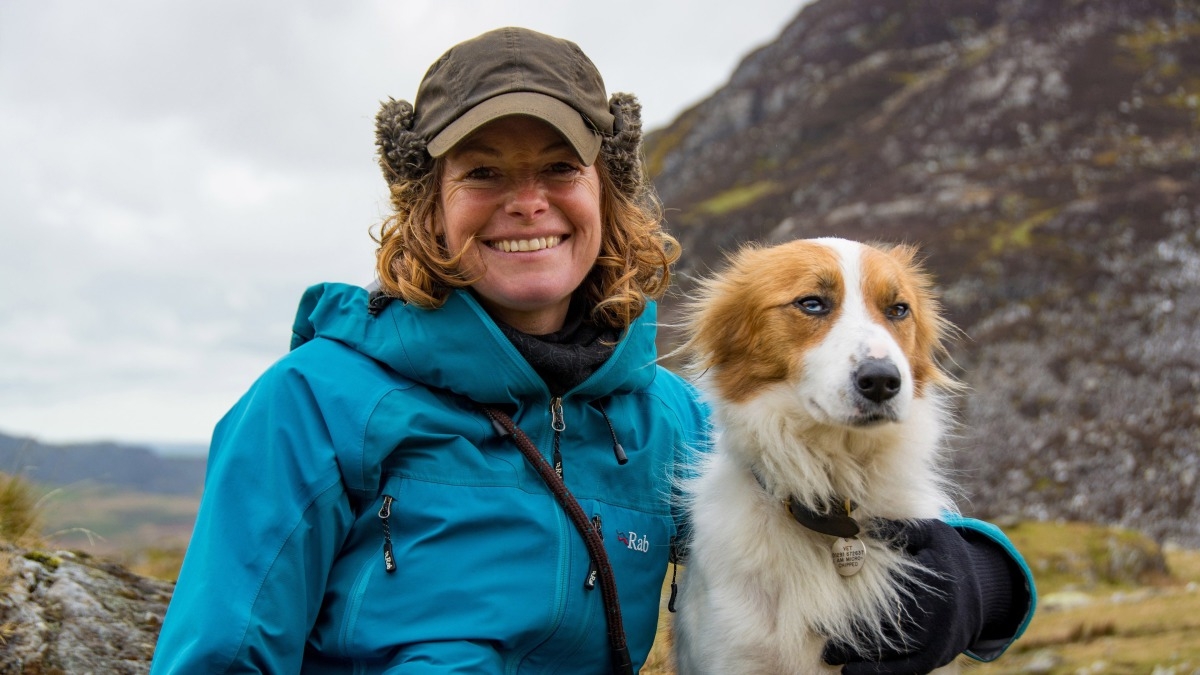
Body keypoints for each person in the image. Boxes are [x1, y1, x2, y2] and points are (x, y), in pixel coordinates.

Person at [151, 27, 1034, 674]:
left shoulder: (663, 415)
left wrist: (983, 576)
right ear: (429, 208)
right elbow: (220, 657)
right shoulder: (312, 401)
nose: (527, 201)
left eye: (560, 169)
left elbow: (822, 500)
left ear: (605, 197)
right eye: (483, 171)